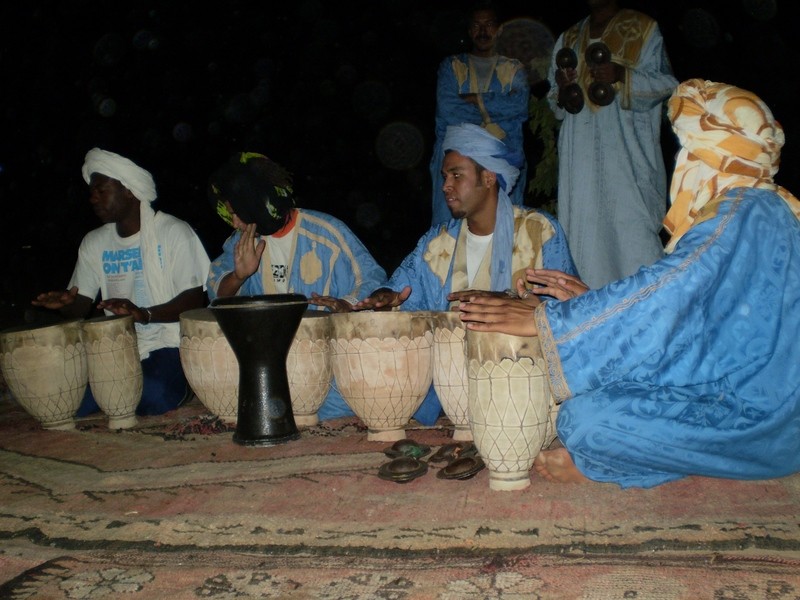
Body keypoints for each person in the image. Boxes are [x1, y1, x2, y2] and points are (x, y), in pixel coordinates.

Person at [458, 79, 800, 489]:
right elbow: (700, 324)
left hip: (758, 415)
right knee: (605, 392)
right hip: (764, 404)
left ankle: (621, 464)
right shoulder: (769, 208)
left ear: (711, 152)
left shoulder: (738, 211)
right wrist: (594, 305)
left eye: (689, 149)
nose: (683, 160)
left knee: (584, 421)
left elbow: (671, 293)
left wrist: (556, 320)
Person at [354, 123, 578, 425]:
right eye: (445, 176)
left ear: (488, 178)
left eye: (457, 175)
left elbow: (569, 315)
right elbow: (405, 291)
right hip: (452, 388)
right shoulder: (437, 242)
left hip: (524, 382)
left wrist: (502, 301)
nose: (446, 185)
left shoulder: (539, 231)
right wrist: (387, 299)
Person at [205, 151, 388, 419]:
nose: (234, 222)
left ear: (257, 202)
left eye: (237, 212)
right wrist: (239, 276)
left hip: (324, 358)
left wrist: (346, 303)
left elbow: (372, 279)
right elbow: (215, 295)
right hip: (267, 360)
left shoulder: (326, 231)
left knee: (345, 394)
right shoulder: (240, 242)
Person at [33, 148, 211, 416]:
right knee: (68, 399)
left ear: (129, 190)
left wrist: (144, 314)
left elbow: (194, 299)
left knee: (152, 397)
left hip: (167, 343)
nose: (93, 198)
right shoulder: (94, 242)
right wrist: (65, 304)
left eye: (102, 190)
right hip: (115, 346)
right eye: (92, 192)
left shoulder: (173, 232)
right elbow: (80, 308)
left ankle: (185, 384)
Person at [547, 0, 678, 289]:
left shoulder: (643, 28)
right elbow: (555, 102)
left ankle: (647, 317)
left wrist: (622, 75)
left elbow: (668, 85)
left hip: (627, 159)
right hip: (579, 160)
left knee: (634, 242)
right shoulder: (568, 37)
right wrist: (562, 87)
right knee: (582, 239)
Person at [430, 1, 530, 226]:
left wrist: (477, 99)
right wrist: (494, 116)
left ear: (500, 29)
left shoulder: (514, 68)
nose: (483, 31)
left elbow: (519, 105)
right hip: (455, 163)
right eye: (476, 25)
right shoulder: (451, 66)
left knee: (505, 229)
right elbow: (449, 109)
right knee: (448, 234)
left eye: (489, 24)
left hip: (502, 161)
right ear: (469, 31)